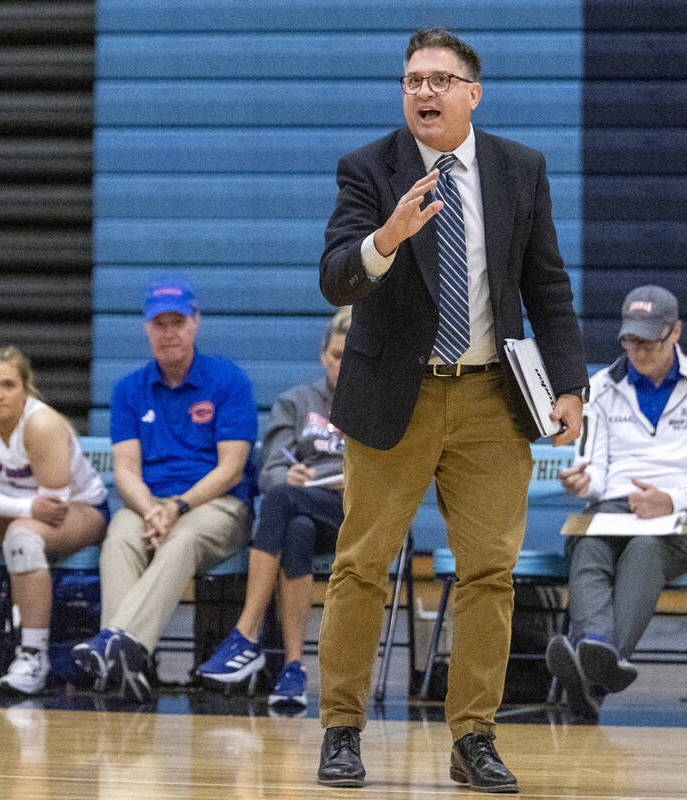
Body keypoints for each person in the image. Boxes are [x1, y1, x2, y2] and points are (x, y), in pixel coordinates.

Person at [315, 28, 590, 793]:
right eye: (412, 80)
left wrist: (571, 387)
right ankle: (341, 730)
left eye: (440, 79)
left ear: (474, 92)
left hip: (488, 400)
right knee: (362, 566)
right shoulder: (370, 169)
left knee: (488, 573)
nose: (424, 92)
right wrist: (387, 237)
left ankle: (474, 738)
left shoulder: (519, 170)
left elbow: (548, 287)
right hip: (391, 395)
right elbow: (337, 279)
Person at [545, 284, 687, 721]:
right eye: (631, 339)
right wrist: (582, 484)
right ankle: (597, 654)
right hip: (617, 506)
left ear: (676, 332)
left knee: (646, 549)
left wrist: (671, 499)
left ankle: (589, 668)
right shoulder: (599, 387)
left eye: (649, 340)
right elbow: (595, 471)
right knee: (588, 542)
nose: (639, 350)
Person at [71, 278, 258, 702]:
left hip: (216, 504)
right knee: (118, 537)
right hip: (150, 502)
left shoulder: (228, 381)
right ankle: (128, 665)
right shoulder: (129, 390)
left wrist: (175, 507)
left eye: (178, 322)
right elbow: (126, 471)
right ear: (146, 328)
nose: (169, 332)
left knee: (183, 539)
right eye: (160, 323)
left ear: (195, 323)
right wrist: (151, 509)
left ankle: (118, 647)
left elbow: (231, 470)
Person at [195, 307, 350, 709]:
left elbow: (398, 474)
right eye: (336, 356)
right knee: (294, 524)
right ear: (322, 355)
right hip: (303, 505)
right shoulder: (296, 402)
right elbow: (271, 469)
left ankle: (246, 636)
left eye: (352, 357)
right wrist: (288, 476)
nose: (342, 365)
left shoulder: (382, 405)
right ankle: (294, 669)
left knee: (282, 503)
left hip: (354, 515)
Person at [0, 346, 108, 695]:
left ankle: (33, 656)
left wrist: (23, 511)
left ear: (27, 388)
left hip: (80, 510)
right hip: (18, 509)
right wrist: (24, 509)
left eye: (9, 385)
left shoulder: (42, 423)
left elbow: (54, 506)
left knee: (23, 538)